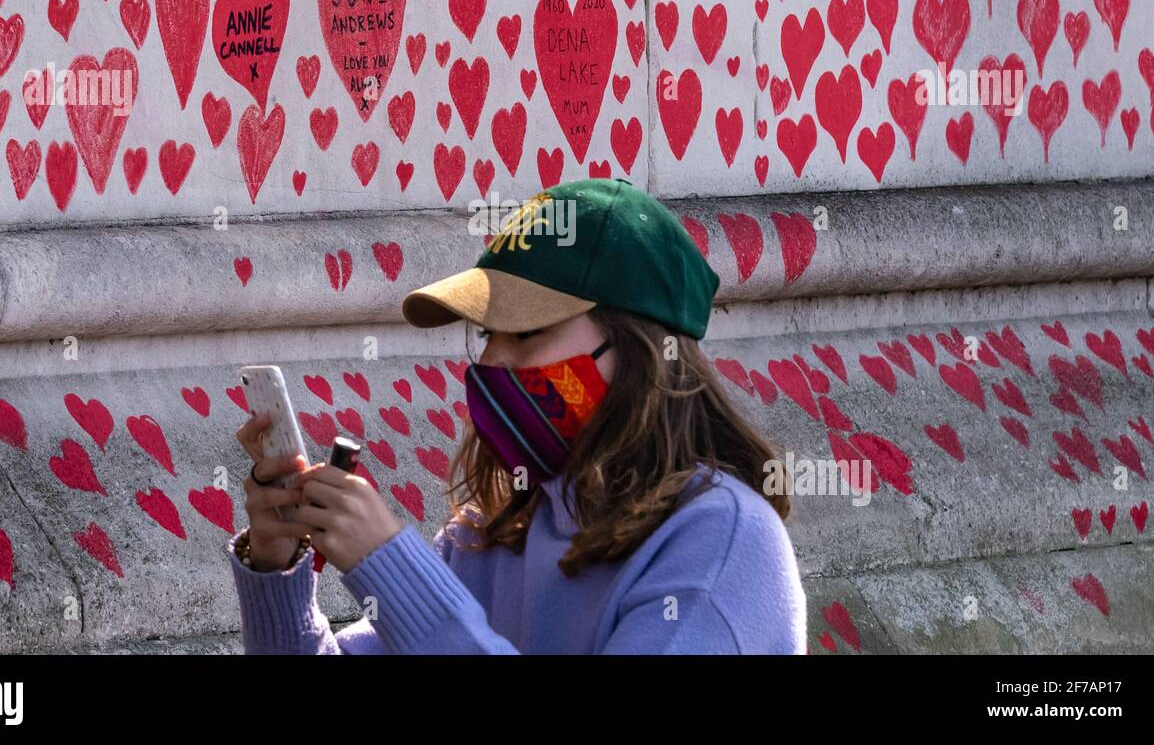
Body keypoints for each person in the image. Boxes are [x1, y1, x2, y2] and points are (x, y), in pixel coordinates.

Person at [226, 177, 807, 653]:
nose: (494, 361)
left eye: (527, 332)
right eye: (487, 334)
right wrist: (276, 566)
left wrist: (394, 570)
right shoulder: (490, 531)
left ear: (638, 352)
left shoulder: (723, 539)